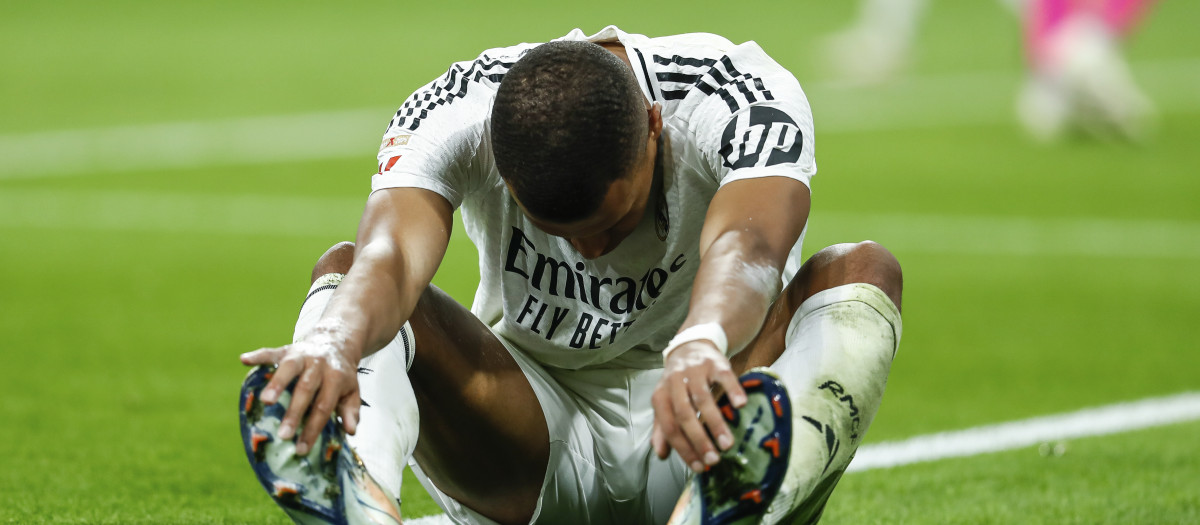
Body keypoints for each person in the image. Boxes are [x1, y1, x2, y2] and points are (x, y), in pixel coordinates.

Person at [238, 26, 903, 525]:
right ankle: (355, 484)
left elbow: (749, 245)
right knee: (350, 283)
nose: (588, 252)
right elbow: (392, 256)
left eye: (611, 224)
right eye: (560, 231)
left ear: (652, 126)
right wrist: (334, 341)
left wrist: (700, 339)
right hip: (525, 439)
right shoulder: (457, 113)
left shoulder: (733, 94)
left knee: (861, 273)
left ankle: (734, 503)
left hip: (703, 422)